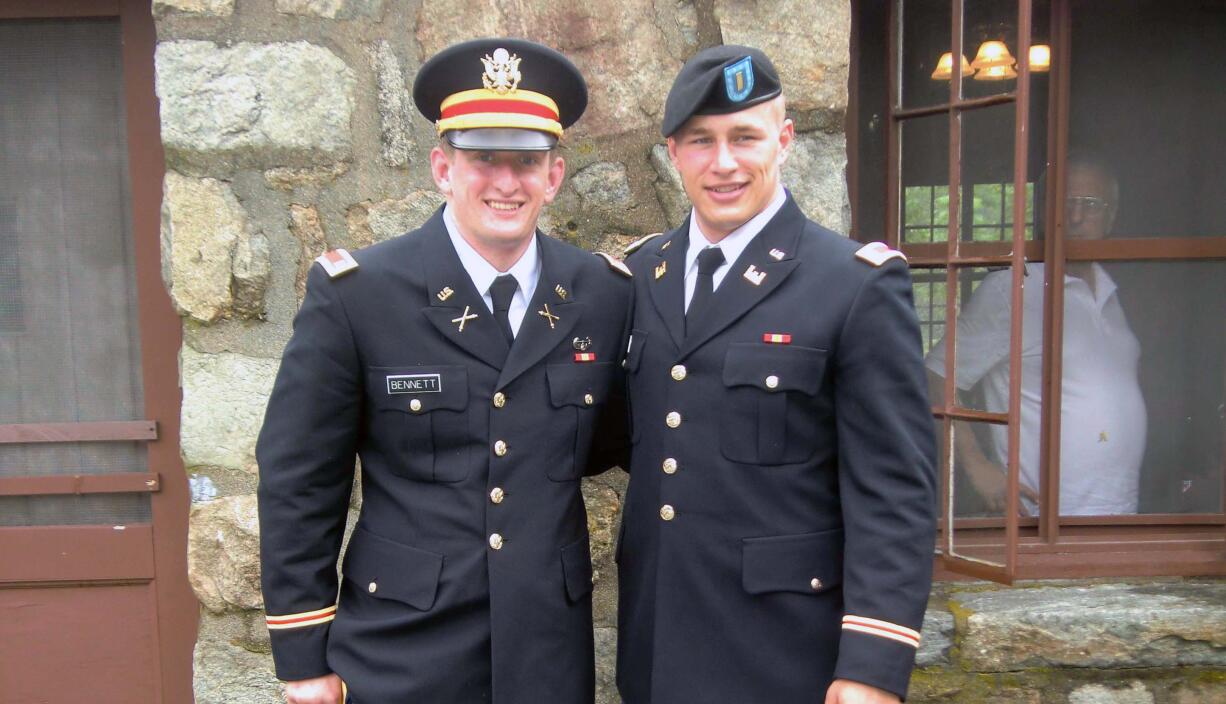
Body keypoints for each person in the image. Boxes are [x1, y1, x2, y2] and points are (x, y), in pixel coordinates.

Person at [256, 38, 632, 704]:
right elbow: (298, 477)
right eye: (484, 158)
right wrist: (302, 656)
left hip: (547, 647)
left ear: (554, 175)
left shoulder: (602, 294)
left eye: (527, 162)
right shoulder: (359, 295)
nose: (506, 182)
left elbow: (614, 438)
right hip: (402, 646)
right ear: (442, 167)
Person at [616, 45, 937, 704]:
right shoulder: (640, 276)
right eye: (701, 141)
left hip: (785, 656)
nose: (725, 162)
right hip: (657, 649)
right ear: (673, 153)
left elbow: (894, 491)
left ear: (784, 140)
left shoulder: (852, 285)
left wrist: (873, 665)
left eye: (745, 137)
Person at [925, 156, 1146, 516]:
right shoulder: (1013, 290)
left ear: (1111, 215)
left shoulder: (1114, 292)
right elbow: (935, 375)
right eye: (1064, 203)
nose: (1074, 217)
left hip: (1119, 517)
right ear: (1044, 210)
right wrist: (977, 467)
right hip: (1042, 523)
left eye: (1089, 205)